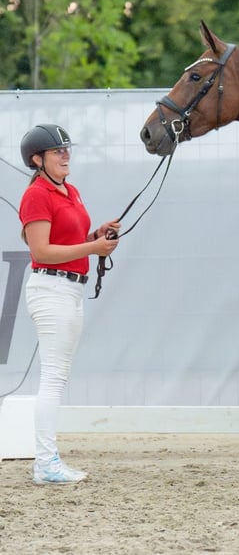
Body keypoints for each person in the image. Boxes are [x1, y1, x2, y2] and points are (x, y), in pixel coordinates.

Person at [18, 123, 120, 485]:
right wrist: (92, 249)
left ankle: (47, 461)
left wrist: (94, 235)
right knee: (53, 379)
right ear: (37, 159)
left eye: (66, 149)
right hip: (50, 291)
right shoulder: (37, 195)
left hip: (70, 290)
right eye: (56, 150)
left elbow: (68, 239)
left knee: (56, 377)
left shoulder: (70, 191)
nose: (65, 154)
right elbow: (41, 251)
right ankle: (45, 463)